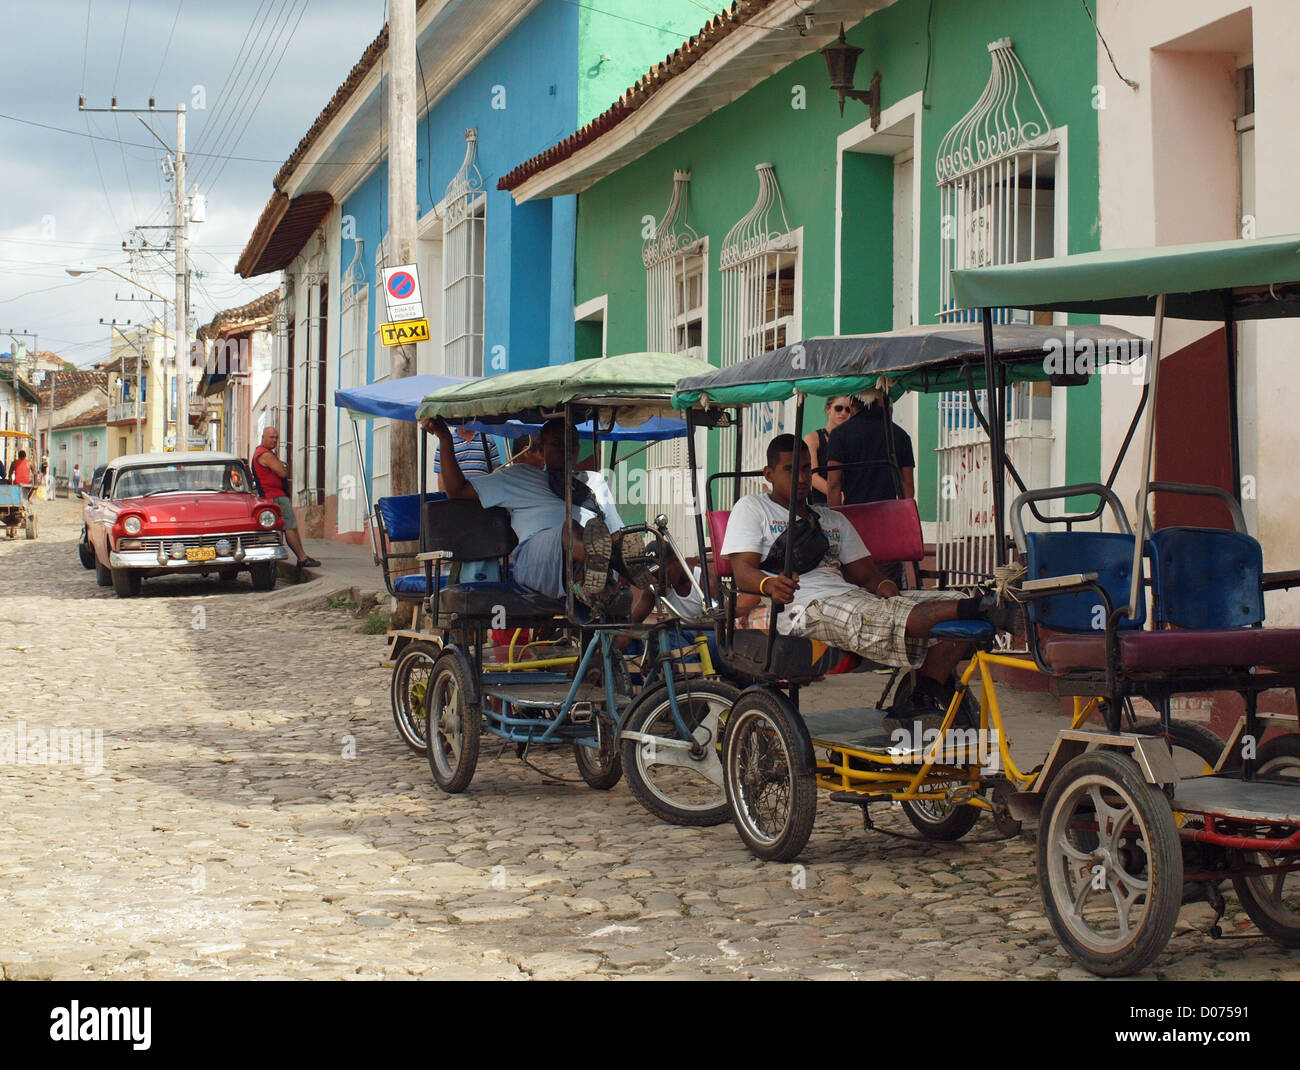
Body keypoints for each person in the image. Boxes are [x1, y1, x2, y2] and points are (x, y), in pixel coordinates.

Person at [721, 434, 1016, 721]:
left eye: (806, 469)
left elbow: (868, 576)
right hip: (803, 607)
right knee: (879, 613)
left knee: (951, 598)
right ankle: (981, 607)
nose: (801, 478)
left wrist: (886, 586)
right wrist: (769, 584)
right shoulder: (752, 507)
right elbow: (743, 571)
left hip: (851, 597)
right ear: (769, 474)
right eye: (790, 469)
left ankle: (923, 695)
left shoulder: (832, 519)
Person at [423, 416, 652, 612]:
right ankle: (611, 564)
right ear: (541, 450)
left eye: (571, 443)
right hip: (536, 559)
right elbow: (457, 490)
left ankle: (600, 572)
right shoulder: (518, 476)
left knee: (626, 540)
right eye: (557, 443)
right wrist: (445, 438)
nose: (565, 448)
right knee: (570, 528)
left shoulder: (591, 481)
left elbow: (614, 530)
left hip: (585, 558)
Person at [826, 390, 915, 505]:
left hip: (853, 514)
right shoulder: (901, 435)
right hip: (888, 514)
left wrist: (835, 520)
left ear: (852, 402)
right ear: (879, 401)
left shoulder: (839, 434)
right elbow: (907, 483)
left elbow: (833, 484)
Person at [252, 427, 321, 569]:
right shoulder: (265, 454)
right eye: (271, 437)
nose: (274, 440)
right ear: (263, 437)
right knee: (290, 527)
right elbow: (282, 472)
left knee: (290, 528)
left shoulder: (263, 453)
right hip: (275, 496)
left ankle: (301, 556)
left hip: (273, 495)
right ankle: (302, 558)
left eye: (276, 437)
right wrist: (282, 467)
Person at [804, 395, 855, 506]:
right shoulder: (813, 438)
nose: (843, 413)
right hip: (822, 503)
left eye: (848, 410)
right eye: (838, 408)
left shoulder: (854, 439)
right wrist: (838, 496)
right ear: (828, 409)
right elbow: (813, 476)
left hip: (851, 501)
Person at [433, 426, 500, 491]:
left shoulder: (488, 439)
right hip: (457, 497)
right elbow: (442, 480)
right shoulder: (444, 445)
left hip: (483, 495)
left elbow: (495, 472)